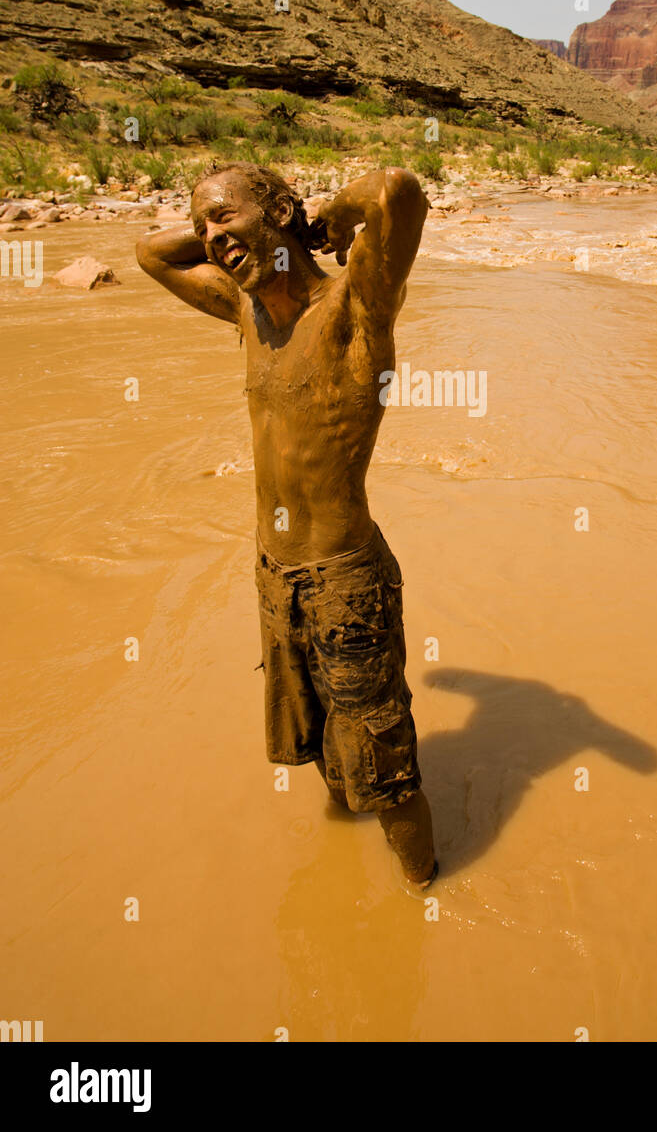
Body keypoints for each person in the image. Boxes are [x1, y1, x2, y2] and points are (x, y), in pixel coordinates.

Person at [136, 161, 437, 889]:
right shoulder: (248, 313)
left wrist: (324, 216)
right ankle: (344, 900)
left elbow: (397, 191)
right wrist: (225, 233)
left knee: (384, 767)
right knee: (320, 744)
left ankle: (426, 897)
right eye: (202, 222)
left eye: (223, 217)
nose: (210, 237)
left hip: (344, 579)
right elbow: (151, 253)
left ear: (276, 211)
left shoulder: (353, 309)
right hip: (274, 574)